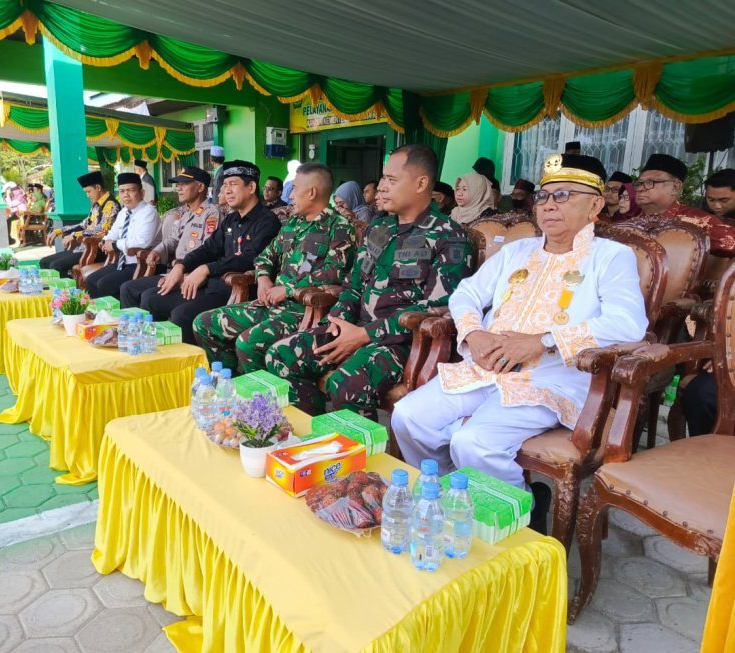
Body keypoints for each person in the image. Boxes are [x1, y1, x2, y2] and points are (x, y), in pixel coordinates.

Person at [391, 154, 648, 517]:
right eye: (544, 196)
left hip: (551, 376)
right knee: (408, 416)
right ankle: (454, 495)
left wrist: (542, 341)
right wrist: (474, 332)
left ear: (595, 204)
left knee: (475, 442)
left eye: (564, 195)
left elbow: (628, 323)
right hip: (487, 366)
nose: (549, 205)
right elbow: (466, 294)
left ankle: (519, 518)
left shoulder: (610, 257)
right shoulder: (517, 251)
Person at [265, 144, 473, 420]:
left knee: (346, 384)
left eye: (391, 179)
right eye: (383, 178)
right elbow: (354, 286)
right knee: (280, 356)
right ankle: (315, 436)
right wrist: (339, 324)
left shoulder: (448, 236)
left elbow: (439, 306)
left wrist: (365, 335)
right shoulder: (380, 227)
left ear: (421, 183)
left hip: (403, 343)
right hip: (355, 329)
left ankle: (360, 455)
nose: (382, 187)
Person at [194, 163, 357, 372]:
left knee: (247, 343)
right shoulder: (293, 223)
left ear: (312, 192)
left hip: (303, 310)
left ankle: (262, 397)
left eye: (295, 189)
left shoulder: (339, 227)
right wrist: (263, 278)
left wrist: (288, 290)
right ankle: (233, 381)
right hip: (270, 303)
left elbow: (333, 274)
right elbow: (265, 257)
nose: (290, 196)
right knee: (205, 323)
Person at [138, 161, 281, 343]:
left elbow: (251, 258)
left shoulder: (267, 221)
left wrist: (206, 269)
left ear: (251, 187)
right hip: (211, 285)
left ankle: (194, 366)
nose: (226, 190)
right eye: (225, 185)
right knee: (151, 299)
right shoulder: (231, 219)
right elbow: (208, 248)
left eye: (233, 184)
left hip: (236, 289)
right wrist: (181, 265)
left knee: (182, 315)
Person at [119, 166, 221, 308]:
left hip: (192, 275)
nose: (178, 188)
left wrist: (181, 267)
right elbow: (173, 239)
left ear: (200, 187)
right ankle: (131, 328)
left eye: (184, 184)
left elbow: (208, 249)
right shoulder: (185, 212)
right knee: (128, 288)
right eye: (178, 184)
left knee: (149, 298)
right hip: (174, 271)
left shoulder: (211, 214)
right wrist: (156, 251)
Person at [636, 154, 735, 255]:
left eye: (650, 182)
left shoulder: (699, 223)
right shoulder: (632, 222)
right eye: (639, 183)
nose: (641, 188)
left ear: (675, 187)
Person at [86, 173, 161, 299]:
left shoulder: (149, 212)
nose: (126, 195)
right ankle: (101, 315)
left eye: (130, 190)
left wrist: (114, 245)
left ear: (142, 193)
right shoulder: (123, 212)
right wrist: (105, 240)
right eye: (122, 191)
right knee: (91, 280)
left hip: (142, 264)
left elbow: (143, 242)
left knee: (104, 284)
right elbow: (114, 232)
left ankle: (117, 315)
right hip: (123, 263)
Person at [40, 171, 119, 277]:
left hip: (98, 250)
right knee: (44, 262)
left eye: (89, 191)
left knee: (56, 266)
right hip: (85, 248)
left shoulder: (111, 204)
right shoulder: (96, 205)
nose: (87, 195)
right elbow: (84, 224)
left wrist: (74, 235)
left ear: (98, 187)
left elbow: (101, 230)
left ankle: (67, 293)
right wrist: (59, 231)